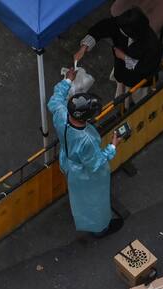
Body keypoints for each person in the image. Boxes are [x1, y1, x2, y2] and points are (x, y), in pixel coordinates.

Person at [48, 69, 124, 237]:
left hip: (67, 162)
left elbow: (55, 99)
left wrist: (67, 81)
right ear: (87, 118)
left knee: (80, 198)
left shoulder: (61, 114)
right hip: (84, 173)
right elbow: (96, 164)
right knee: (94, 200)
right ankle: (100, 228)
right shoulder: (86, 140)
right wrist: (112, 146)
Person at [74, 7, 163, 102]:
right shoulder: (122, 24)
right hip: (121, 71)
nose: (118, 31)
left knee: (139, 101)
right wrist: (84, 47)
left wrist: (124, 57)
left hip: (139, 81)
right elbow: (101, 28)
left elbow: (146, 68)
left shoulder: (153, 45)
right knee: (122, 95)